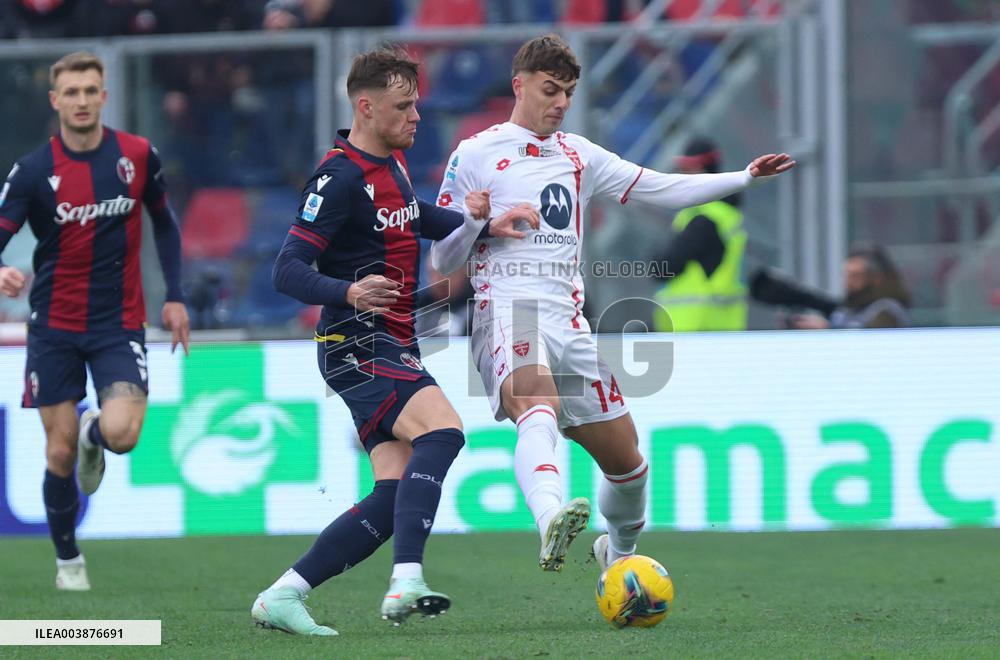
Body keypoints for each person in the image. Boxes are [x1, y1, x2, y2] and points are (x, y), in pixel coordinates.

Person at [432, 34, 794, 574]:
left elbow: (659, 187)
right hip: (508, 311)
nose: (559, 103)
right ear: (520, 85)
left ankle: (617, 559)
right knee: (537, 407)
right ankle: (549, 519)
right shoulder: (477, 154)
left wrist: (743, 177)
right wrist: (473, 220)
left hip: (569, 324)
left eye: (568, 94)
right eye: (550, 90)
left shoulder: (579, 154)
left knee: (629, 465)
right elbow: (442, 258)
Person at [252, 46, 538, 635]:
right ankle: (406, 579)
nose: (417, 117)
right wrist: (348, 291)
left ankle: (284, 594)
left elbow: (416, 218)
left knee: (391, 494)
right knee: (444, 430)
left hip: (390, 338)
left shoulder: (392, 166)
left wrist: (483, 223)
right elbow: (286, 269)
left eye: (418, 104)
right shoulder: (338, 177)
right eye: (404, 106)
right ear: (366, 106)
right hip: (354, 340)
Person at [0, 51, 189, 591]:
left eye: (90, 90)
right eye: (71, 92)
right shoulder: (34, 170)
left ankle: (94, 430)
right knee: (58, 453)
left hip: (118, 322)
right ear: (56, 100)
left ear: (104, 95)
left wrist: (174, 296)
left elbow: (165, 223)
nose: (82, 100)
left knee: (123, 435)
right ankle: (68, 562)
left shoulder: (135, 155)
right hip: (53, 326)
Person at [652, 136, 749, 332]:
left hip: (697, 327)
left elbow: (663, 267)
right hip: (721, 326)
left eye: (688, 170)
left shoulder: (703, 219)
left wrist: (654, 255)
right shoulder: (726, 214)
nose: (682, 175)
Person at [750, 244, 911, 329]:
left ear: (877, 279)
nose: (848, 282)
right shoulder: (851, 308)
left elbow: (870, 343)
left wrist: (828, 330)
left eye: (856, 276)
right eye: (847, 275)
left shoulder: (887, 309)